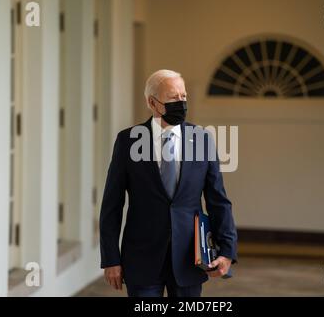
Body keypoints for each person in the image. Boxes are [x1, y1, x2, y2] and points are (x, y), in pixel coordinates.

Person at [99, 69, 237, 297]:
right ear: (152, 103)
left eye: (183, 97)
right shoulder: (128, 141)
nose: (181, 103)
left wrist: (227, 250)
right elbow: (111, 205)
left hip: (190, 258)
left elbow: (218, 200)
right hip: (142, 259)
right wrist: (110, 258)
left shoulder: (202, 139)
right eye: (173, 98)